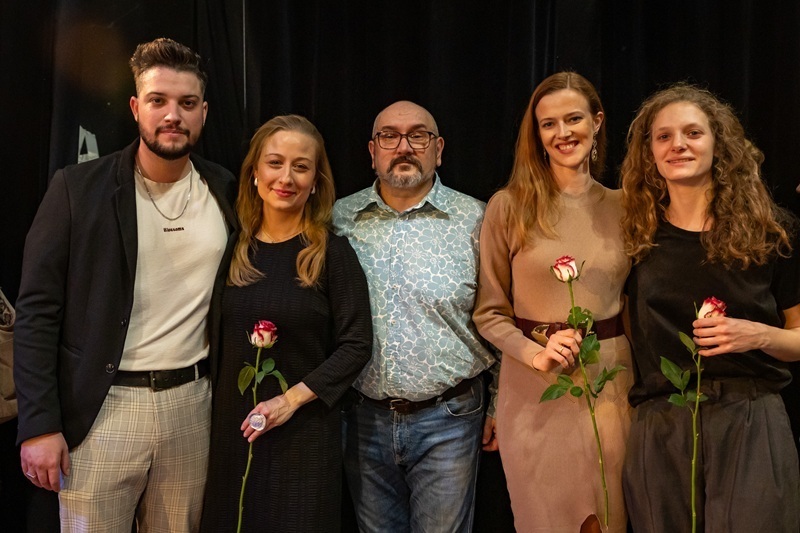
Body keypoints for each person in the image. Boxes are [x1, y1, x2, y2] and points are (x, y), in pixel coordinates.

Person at [14, 38, 237, 532]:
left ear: (203, 113)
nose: (173, 115)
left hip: (193, 406)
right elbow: (37, 312)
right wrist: (39, 424)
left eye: (187, 103)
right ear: (137, 108)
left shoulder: (226, 189)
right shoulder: (77, 189)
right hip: (102, 408)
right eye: (158, 101)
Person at [620, 83, 800, 532]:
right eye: (663, 136)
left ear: (719, 143)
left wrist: (759, 335)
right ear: (649, 152)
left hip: (750, 415)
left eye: (693, 133)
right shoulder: (633, 238)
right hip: (662, 420)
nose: (678, 144)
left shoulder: (770, 232)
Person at [472, 72, 633, 533]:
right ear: (537, 134)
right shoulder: (508, 206)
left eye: (573, 119)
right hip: (534, 389)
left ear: (597, 122)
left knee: (607, 519)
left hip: (611, 385)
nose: (563, 133)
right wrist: (534, 354)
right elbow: (489, 312)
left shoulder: (627, 206)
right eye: (548, 124)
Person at [200, 115, 372, 532]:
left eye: (301, 167)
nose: (286, 177)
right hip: (232, 438)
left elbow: (356, 345)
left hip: (303, 439)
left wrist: (288, 402)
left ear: (315, 182)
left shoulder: (332, 254)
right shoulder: (232, 247)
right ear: (254, 173)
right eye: (275, 163)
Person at [333, 100, 494, 532]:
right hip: (362, 420)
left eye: (418, 136)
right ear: (372, 152)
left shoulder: (478, 219)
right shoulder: (339, 219)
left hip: (450, 418)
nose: (404, 147)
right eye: (389, 136)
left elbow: (500, 315)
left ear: (438, 149)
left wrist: (499, 405)